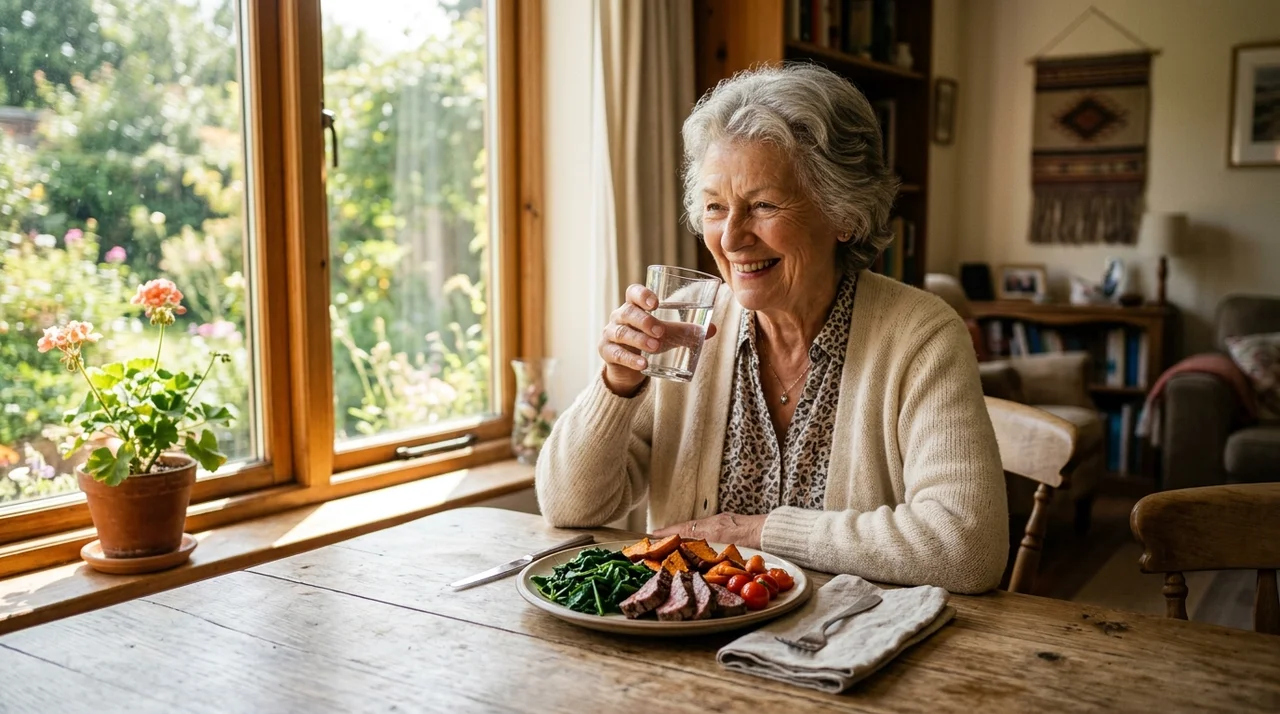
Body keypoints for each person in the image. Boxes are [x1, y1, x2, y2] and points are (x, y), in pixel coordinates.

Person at [535, 64, 1008, 593]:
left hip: (849, 647)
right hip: (689, 642)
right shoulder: (683, 321)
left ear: (843, 214)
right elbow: (570, 508)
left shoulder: (920, 335)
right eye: (715, 207)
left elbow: (968, 547)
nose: (732, 239)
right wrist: (617, 386)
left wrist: (757, 533)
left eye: (762, 205)